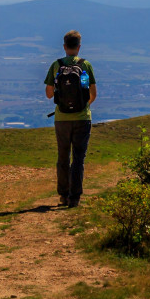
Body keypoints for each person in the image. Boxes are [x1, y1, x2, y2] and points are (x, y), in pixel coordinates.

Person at [44, 29, 96, 208]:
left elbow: (49, 94)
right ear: (79, 47)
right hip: (82, 118)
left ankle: (63, 195)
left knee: (63, 157)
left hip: (61, 119)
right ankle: (75, 198)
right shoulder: (85, 65)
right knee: (78, 159)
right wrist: (82, 106)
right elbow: (92, 93)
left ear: (64, 46)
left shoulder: (56, 65)